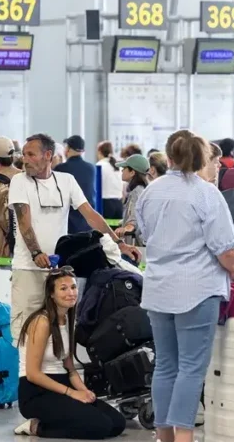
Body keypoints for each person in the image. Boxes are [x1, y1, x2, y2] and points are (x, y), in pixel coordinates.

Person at [136, 130, 234, 442]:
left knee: (165, 365)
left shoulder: (150, 192)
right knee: (192, 368)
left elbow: (145, 234)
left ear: (168, 157)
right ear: (201, 158)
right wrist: (233, 271)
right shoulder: (206, 194)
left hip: (158, 288)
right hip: (197, 289)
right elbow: (226, 249)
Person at [8, 134, 140, 375]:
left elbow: (90, 214)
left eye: (30, 154)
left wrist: (118, 243)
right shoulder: (19, 181)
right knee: (25, 331)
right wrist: (36, 252)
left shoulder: (66, 180)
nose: (24, 159)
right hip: (27, 269)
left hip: (59, 270)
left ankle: (59, 382)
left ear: (48, 156)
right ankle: (28, 381)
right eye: (23, 154)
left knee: (61, 330)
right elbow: (24, 221)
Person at [14, 267, 126, 440]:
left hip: (62, 385)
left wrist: (84, 391)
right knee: (100, 426)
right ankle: (36, 427)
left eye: (73, 287)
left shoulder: (68, 320)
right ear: (52, 294)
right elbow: (33, 374)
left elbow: (70, 369)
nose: (71, 293)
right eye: (63, 288)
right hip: (37, 392)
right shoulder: (41, 322)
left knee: (117, 423)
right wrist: (72, 393)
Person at [54, 136, 96, 234]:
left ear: (68, 149)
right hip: (87, 220)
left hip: (68, 223)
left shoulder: (60, 168)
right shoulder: (91, 168)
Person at [115, 154, 150, 247]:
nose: (122, 170)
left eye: (124, 168)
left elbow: (134, 217)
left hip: (138, 244)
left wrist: (128, 227)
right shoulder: (142, 189)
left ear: (132, 172)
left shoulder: (136, 192)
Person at [96, 141, 123, 219]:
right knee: (116, 226)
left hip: (105, 204)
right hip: (118, 204)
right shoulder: (118, 167)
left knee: (104, 226)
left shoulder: (99, 165)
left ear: (99, 152)